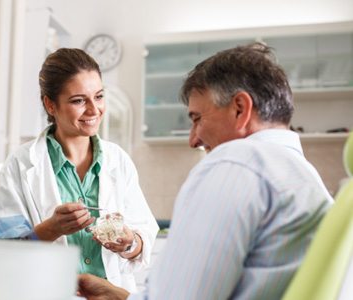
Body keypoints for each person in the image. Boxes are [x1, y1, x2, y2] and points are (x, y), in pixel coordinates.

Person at [77, 42, 333, 299]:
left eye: (197, 118)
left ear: (240, 109)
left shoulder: (236, 163)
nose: (193, 140)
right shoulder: (305, 177)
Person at [0, 48, 159, 291]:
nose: (94, 110)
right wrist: (51, 229)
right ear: (50, 105)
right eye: (79, 100)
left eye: (99, 96)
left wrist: (129, 242)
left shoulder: (118, 161)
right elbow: (1, 252)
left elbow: (145, 237)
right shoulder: (19, 165)